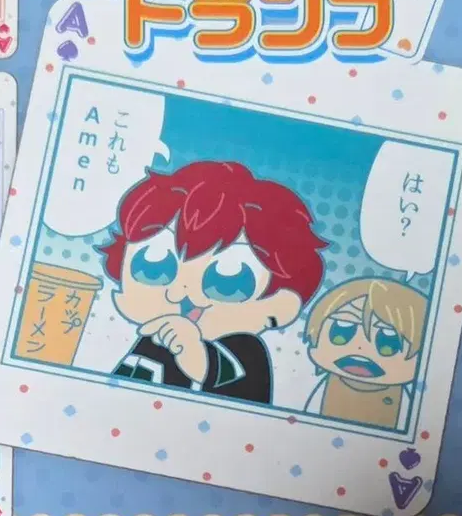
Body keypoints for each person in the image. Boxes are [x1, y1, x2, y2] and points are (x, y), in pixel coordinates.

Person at [100, 161, 326, 404]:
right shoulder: (154, 339)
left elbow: (237, 391)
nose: (179, 294)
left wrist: (196, 354)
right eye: (153, 269)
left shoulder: (245, 348)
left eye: (227, 283)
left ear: (280, 304)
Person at [303, 277, 428, 429]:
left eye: (388, 341)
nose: (360, 348)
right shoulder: (315, 391)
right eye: (342, 330)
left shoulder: (411, 410)